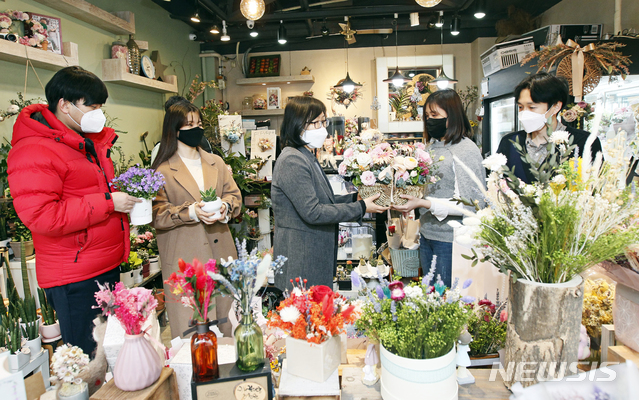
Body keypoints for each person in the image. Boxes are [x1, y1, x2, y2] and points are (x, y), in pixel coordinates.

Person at [7, 66, 139, 356]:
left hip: (102, 265)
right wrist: (109, 203)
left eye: (100, 106)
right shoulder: (35, 150)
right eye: (91, 105)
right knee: (89, 359)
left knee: (113, 353)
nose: (98, 113)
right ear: (65, 105)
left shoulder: (83, 143)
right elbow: (42, 216)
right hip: (75, 276)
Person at [272, 96, 388, 291]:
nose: (321, 128)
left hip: (313, 254)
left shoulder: (306, 155)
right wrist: (360, 207)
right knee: (306, 317)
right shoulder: (292, 160)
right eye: (314, 123)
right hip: (302, 257)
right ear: (296, 125)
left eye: (323, 121)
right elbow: (314, 212)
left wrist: (355, 198)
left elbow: (325, 199)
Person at [151, 101, 241, 338]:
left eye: (199, 124)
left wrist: (225, 207)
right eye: (189, 125)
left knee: (228, 321)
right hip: (185, 257)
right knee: (194, 329)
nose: (196, 129)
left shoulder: (216, 162)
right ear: (175, 130)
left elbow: (234, 195)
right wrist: (190, 212)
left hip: (220, 251)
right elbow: (157, 213)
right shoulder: (162, 170)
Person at [392, 89, 486, 288]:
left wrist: (424, 203)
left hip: (451, 240)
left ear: (452, 115)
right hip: (428, 234)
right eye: (427, 116)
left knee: (446, 300)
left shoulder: (466, 150)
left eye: (435, 115)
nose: (430, 120)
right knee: (430, 298)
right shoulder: (433, 147)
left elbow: (471, 204)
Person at [497, 72, 602, 184]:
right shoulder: (509, 143)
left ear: (556, 107)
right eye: (521, 107)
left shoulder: (583, 142)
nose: (524, 113)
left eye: (532, 107)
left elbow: (593, 188)